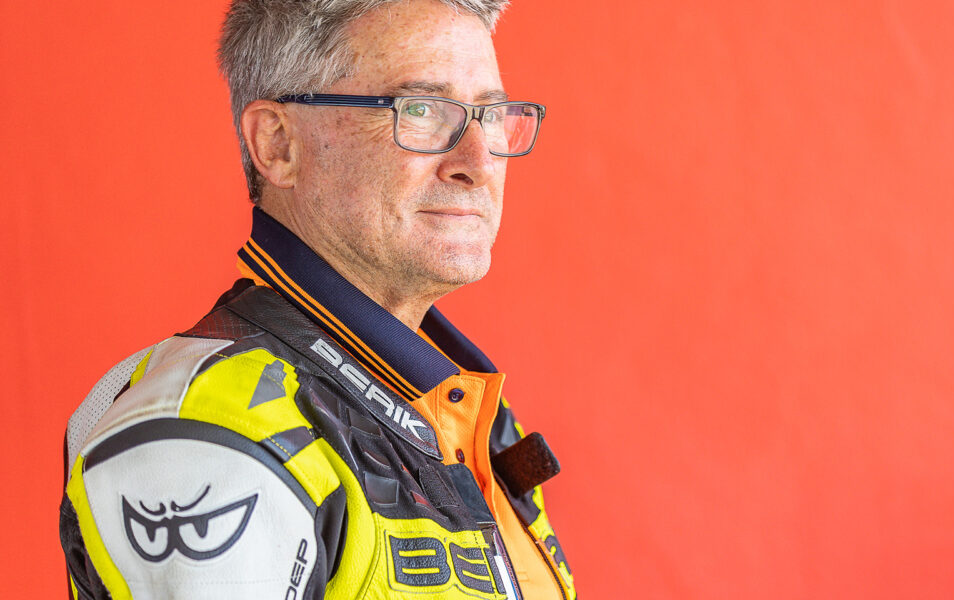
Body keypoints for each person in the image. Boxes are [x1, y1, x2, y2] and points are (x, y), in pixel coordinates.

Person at [57, 0, 576, 598]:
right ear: (278, 144)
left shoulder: (463, 410)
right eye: (421, 110)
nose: (479, 162)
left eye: (491, 114)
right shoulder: (208, 432)